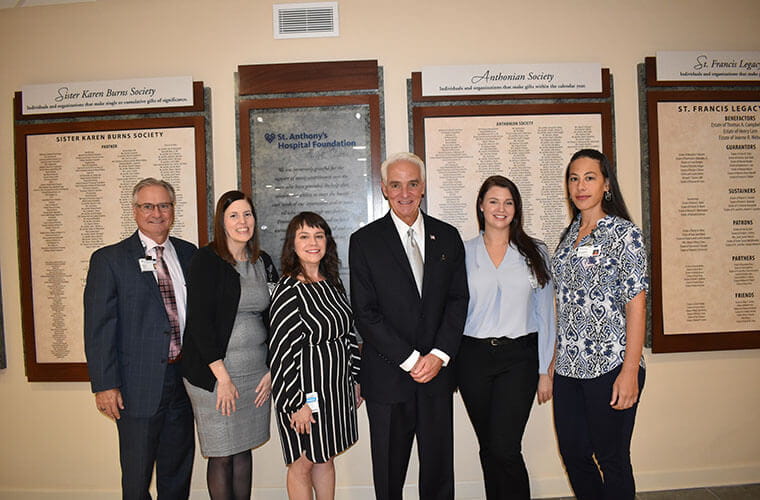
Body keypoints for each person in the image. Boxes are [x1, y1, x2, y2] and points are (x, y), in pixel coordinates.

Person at [349, 152, 469, 500]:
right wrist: (411, 359)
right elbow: (366, 313)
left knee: (438, 472)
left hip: (437, 374)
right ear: (384, 189)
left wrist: (439, 355)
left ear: (423, 187)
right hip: (388, 376)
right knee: (388, 475)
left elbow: (458, 301)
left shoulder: (447, 237)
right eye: (396, 185)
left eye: (413, 183)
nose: (405, 192)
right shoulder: (365, 241)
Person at [84, 177, 197, 499]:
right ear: (135, 211)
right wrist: (105, 384)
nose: (156, 213)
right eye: (148, 206)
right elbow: (98, 327)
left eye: (164, 205)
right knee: (136, 476)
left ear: (173, 210)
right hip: (137, 386)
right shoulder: (110, 260)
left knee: (177, 471)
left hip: (183, 380)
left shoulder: (189, 255)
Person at [552, 149, 649, 500]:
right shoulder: (568, 237)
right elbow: (563, 307)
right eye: (574, 178)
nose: (580, 186)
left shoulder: (624, 234)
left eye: (589, 177)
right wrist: (552, 363)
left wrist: (629, 372)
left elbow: (636, 306)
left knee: (612, 458)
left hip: (611, 364)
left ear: (606, 184)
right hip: (568, 368)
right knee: (574, 455)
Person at [456, 175, 556, 500]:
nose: (501, 208)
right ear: (481, 206)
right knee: (489, 448)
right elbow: (452, 312)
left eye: (509, 202)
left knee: (505, 447)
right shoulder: (462, 252)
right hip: (473, 358)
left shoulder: (534, 252)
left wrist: (546, 370)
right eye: (494, 201)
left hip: (520, 359)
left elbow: (546, 315)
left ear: (517, 209)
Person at [181, 190, 279, 499]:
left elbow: (275, 317)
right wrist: (222, 378)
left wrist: (272, 369)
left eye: (247, 214)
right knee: (222, 453)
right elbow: (199, 323)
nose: (242, 221)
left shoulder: (263, 261)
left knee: (242, 448)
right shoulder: (206, 260)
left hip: (256, 374)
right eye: (234, 215)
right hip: (214, 376)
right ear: (222, 223)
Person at [268, 212, 361, 500]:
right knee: (302, 462)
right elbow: (281, 352)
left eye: (319, 236)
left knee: (326, 456)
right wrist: (297, 404)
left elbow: (348, 335)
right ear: (292, 245)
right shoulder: (288, 290)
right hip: (305, 394)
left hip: (335, 390)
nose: (313, 242)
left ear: (327, 242)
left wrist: (355, 379)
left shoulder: (332, 283)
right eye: (304, 236)